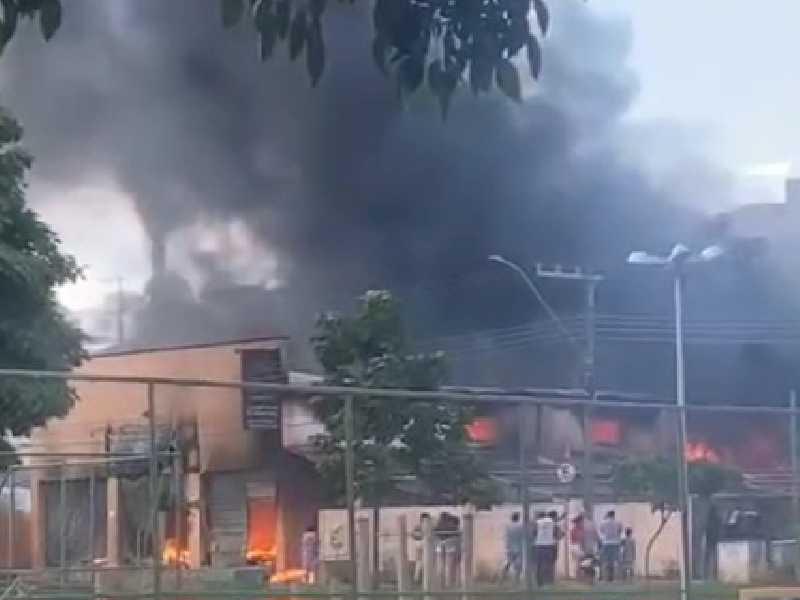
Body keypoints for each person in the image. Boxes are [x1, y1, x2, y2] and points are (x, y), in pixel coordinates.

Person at [598, 510, 623, 582]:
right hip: (615, 543)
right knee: (615, 561)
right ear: (614, 515)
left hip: (606, 543)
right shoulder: (618, 523)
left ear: (607, 515)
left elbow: (601, 531)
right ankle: (615, 577)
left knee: (606, 561)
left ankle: (605, 577)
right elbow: (620, 531)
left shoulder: (603, 522)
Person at [533, 511, 557, 586]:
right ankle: (548, 581)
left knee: (539, 564)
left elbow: (534, 532)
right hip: (549, 545)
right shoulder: (552, 521)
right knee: (548, 563)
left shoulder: (537, 522)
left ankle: (539, 581)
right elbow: (556, 532)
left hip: (539, 545)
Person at [504, 512, 525, 583]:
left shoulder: (508, 526)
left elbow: (506, 536)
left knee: (508, 563)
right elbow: (523, 536)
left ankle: (502, 578)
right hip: (518, 548)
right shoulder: (520, 526)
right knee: (518, 565)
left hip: (509, 547)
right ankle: (517, 580)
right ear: (518, 518)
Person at [412, 513, 430, 585]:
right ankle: (417, 578)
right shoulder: (419, 527)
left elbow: (414, 535)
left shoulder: (420, 526)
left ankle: (419, 578)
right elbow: (414, 535)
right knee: (419, 562)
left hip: (420, 544)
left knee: (421, 562)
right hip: (420, 545)